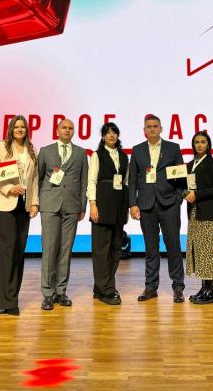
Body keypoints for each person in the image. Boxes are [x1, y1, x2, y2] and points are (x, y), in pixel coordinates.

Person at [129, 114, 185, 303]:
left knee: (174, 246)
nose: (152, 129)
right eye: (149, 126)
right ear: (144, 130)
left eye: (155, 126)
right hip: (146, 205)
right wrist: (133, 203)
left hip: (169, 204)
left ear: (161, 129)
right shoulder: (137, 150)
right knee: (150, 248)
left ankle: (178, 288)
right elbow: (132, 180)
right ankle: (151, 287)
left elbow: (181, 176)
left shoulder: (173, 148)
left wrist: (178, 199)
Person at [0, 114, 39, 316]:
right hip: (4, 205)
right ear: (11, 129)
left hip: (23, 206)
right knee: (6, 251)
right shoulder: (2, 146)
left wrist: (34, 203)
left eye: (22, 127)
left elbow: (34, 179)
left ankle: (12, 298)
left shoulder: (32, 150)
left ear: (27, 130)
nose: (19, 129)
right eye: (16, 126)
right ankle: (4, 301)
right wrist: (9, 188)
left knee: (18, 251)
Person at [38, 118, 88, 310]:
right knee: (49, 249)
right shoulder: (46, 151)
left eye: (70, 128)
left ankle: (61, 291)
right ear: (57, 130)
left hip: (72, 206)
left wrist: (82, 206)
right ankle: (47, 294)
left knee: (66, 250)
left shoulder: (81, 153)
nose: (67, 130)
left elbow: (83, 181)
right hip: (50, 204)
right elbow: (39, 178)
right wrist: (38, 202)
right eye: (64, 128)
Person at [87, 122, 129, 305]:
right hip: (102, 205)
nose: (111, 135)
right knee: (101, 250)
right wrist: (92, 204)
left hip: (119, 207)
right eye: (108, 133)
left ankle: (101, 287)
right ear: (103, 137)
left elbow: (126, 182)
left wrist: (128, 207)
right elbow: (91, 181)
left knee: (115, 249)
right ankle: (107, 290)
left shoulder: (124, 156)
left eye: (114, 132)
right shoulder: (97, 155)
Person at [184, 131, 213, 304]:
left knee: (210, 252)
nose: (199, 145)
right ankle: (204, 288)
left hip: (208, 212)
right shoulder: (189, 165)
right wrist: (185, 193)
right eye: (197, 142)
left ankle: (212, 292)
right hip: (194, 212)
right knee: (200, 251)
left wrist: (197, 194)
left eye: (203, 142)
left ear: (208, 145)